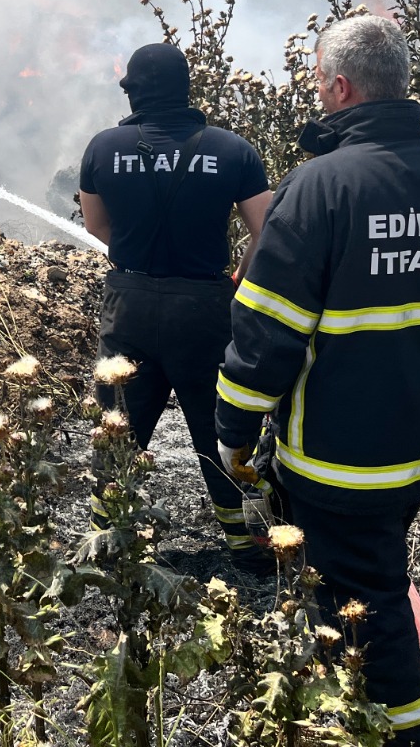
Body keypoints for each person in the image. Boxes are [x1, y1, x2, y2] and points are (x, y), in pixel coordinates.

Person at [215, 14, 420, 747]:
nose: (319, 94)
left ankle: (400, 728)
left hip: (335, 458)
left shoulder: (319, 188)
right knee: (372, 575)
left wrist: (232, 432)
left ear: (341, 86)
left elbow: (265, 333)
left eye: (321, 83)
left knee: (366, 605)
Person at [79, 42, 274, 571]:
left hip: (129, 303)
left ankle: (108, 540)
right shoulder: (233, 150)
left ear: (133, 91)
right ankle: (241, 543)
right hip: (205, 306)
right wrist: (237, 278)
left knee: (118, 423)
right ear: (186, 88)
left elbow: (97, 227)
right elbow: (266, 229)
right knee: (218, 427)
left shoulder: (102, 148)